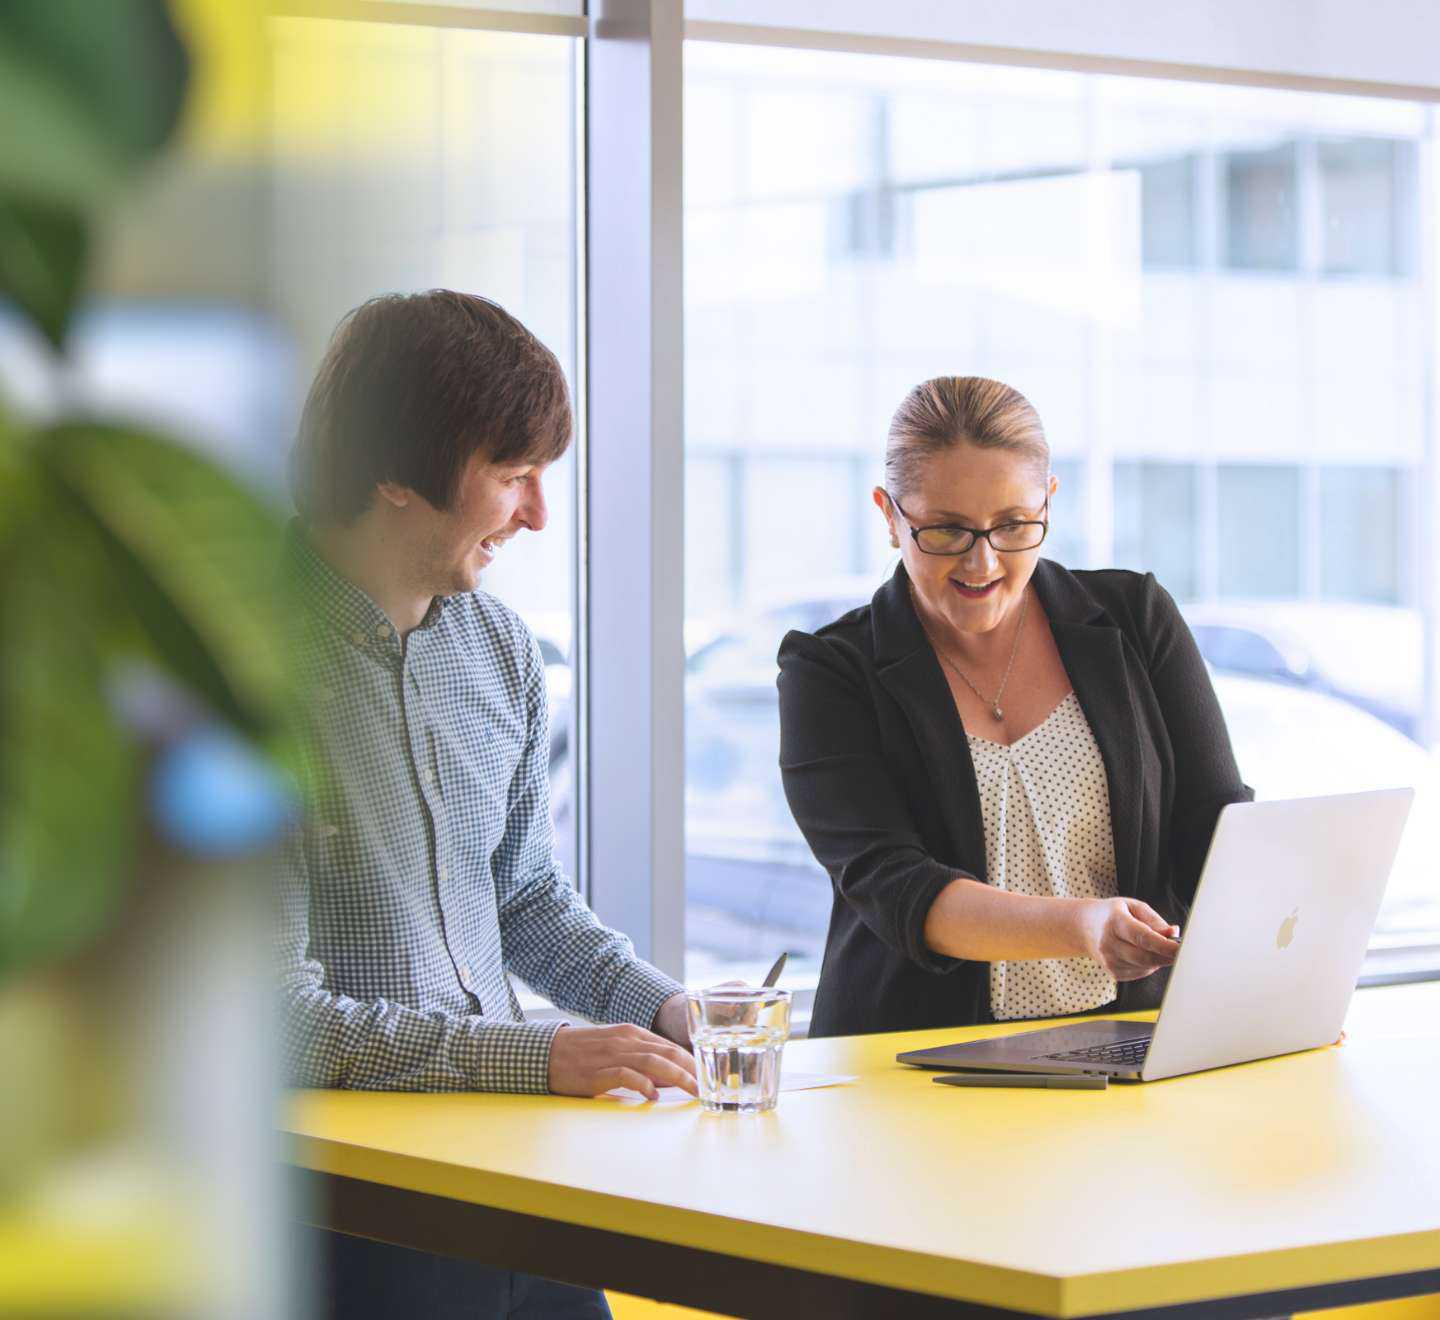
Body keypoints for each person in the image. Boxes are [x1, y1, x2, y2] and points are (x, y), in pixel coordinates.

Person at [278, 290, 696, 1319]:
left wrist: (669, 1012)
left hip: (517, 1190)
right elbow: (277, 1025)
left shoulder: (501, 648)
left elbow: (524, 901)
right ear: (393, 474)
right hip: (347, 1215)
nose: (538, 513)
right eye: (513, 476)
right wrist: (542, 1056)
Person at [777, 376, 1252, 1039]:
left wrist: (1274, 985)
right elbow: (895, 885)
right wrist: (1079, 926)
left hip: (1130, 1042)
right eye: (945, 531)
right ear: (890, 515)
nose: (983, 561)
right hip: (911, 1064)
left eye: (1013, 526)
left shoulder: (1136, 621)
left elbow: (1216, 824)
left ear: (1048, 504)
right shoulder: (829, 671)